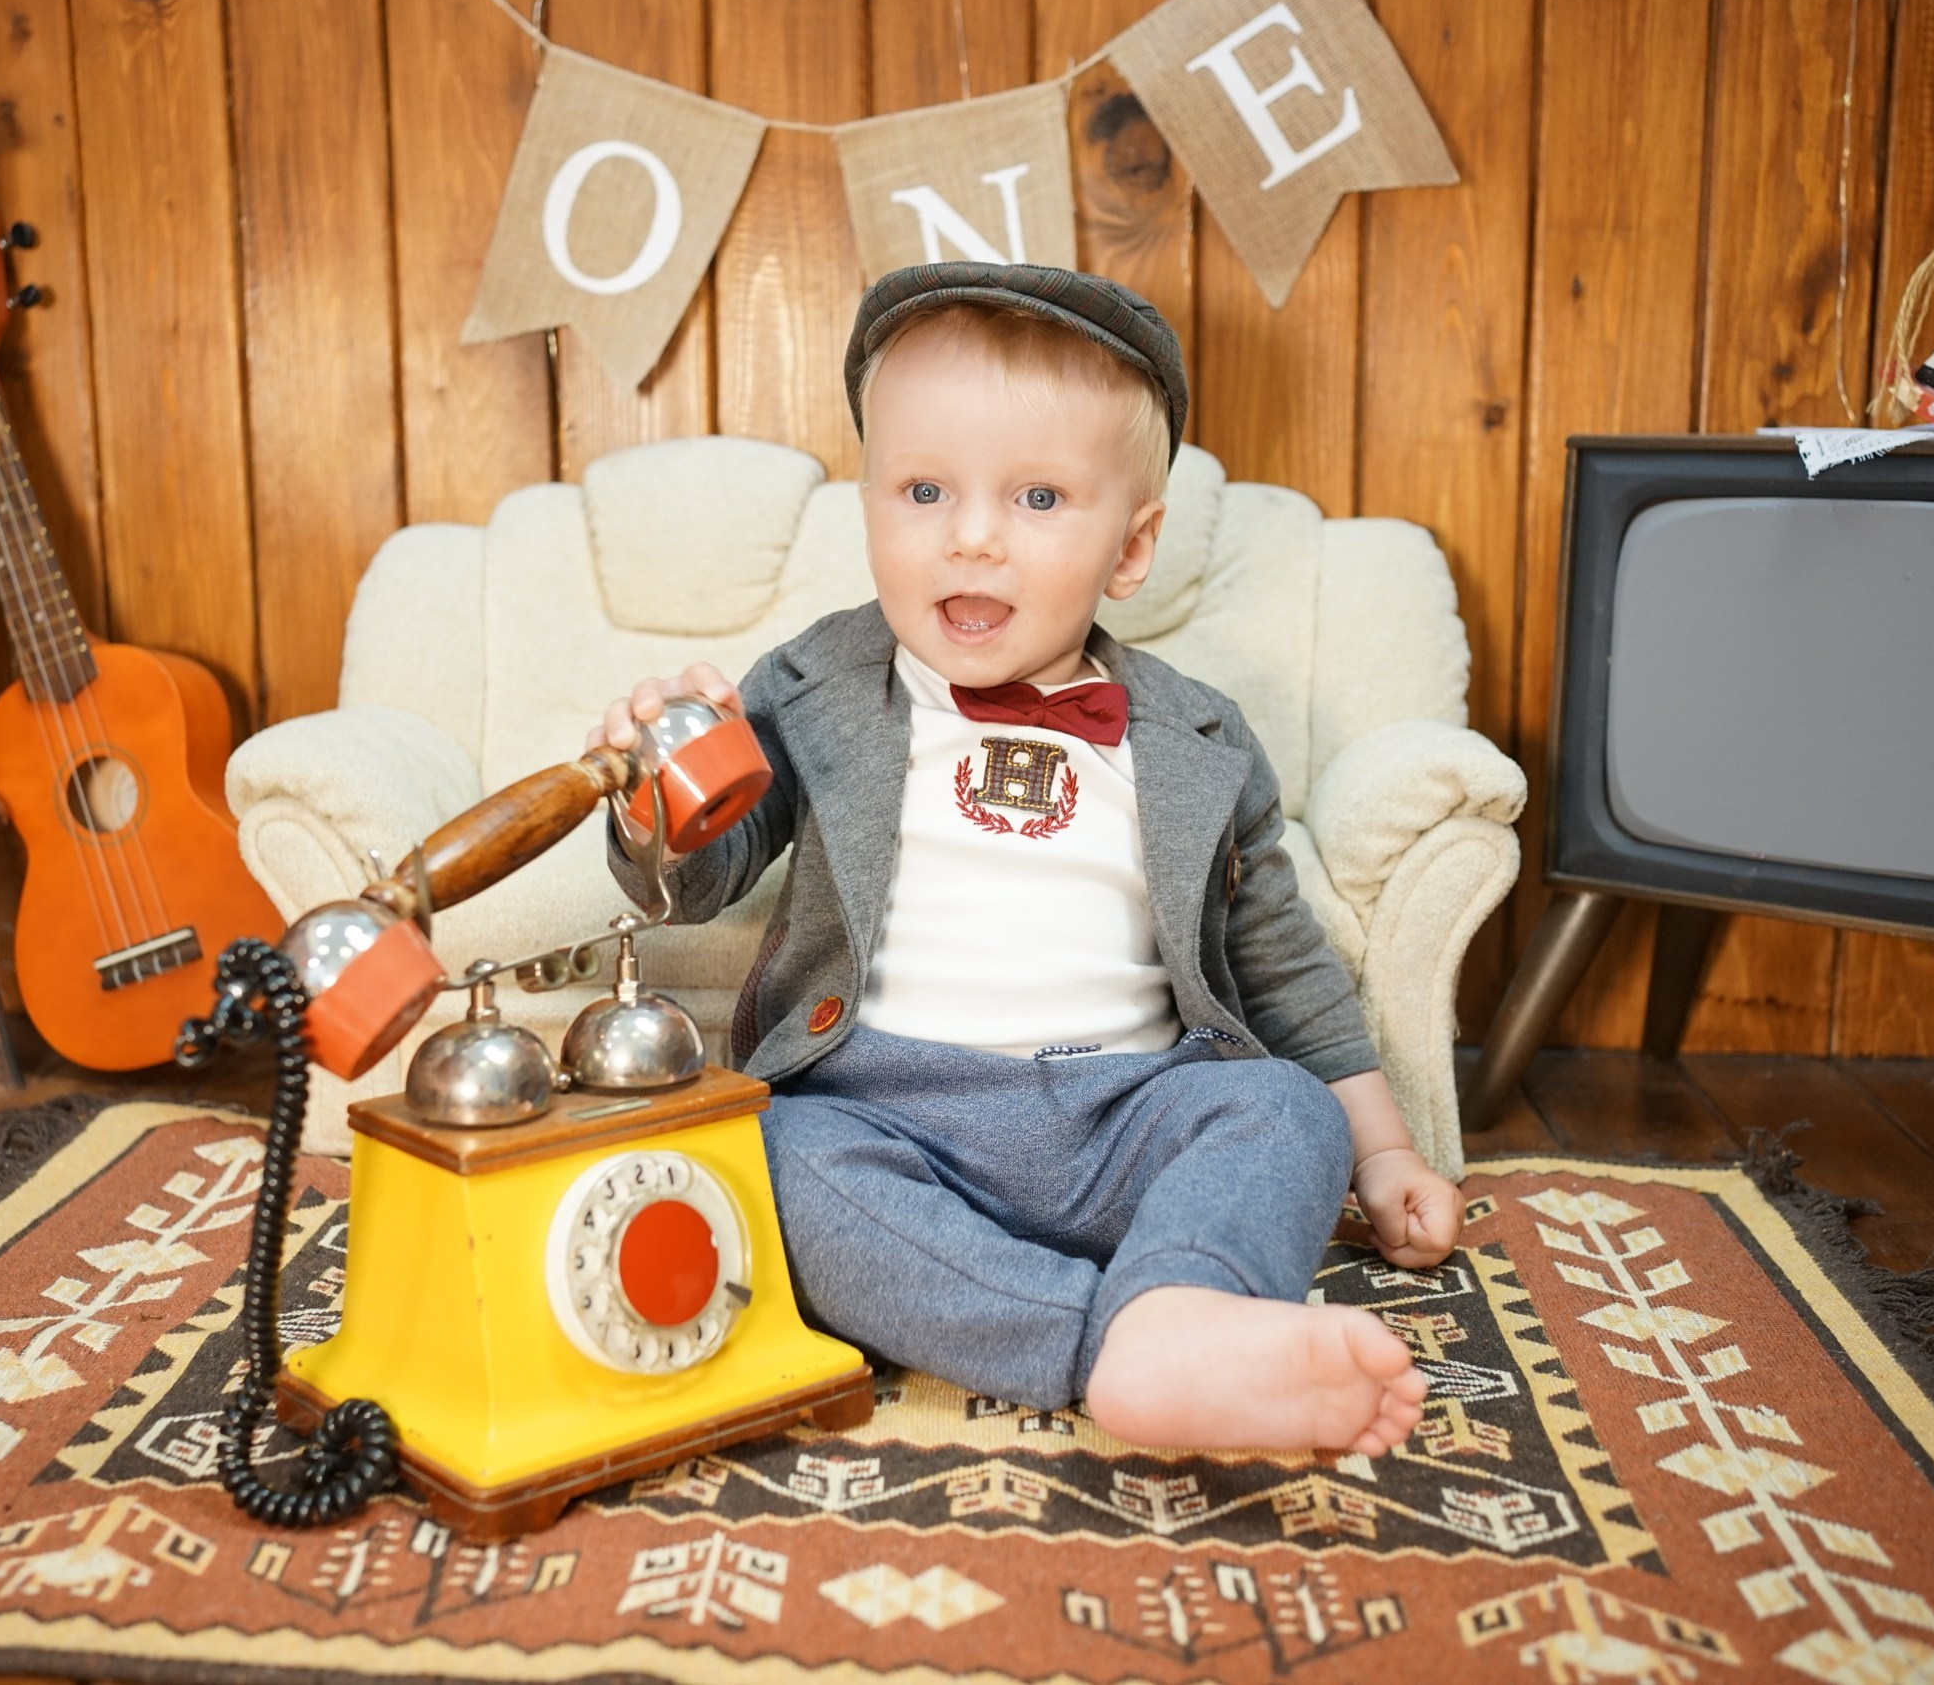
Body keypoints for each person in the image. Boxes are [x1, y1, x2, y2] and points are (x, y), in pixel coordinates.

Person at [596, 261, 1456, 1456]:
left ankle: (1182, 1286)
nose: (974, 538)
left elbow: (1284, 968)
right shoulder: (814, 685)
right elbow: (707, 869)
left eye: (1040, 499)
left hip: (1125, 1114)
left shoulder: (1197, 739)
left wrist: (1384, 1149)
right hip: (884, 1110)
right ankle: (1125, 1347)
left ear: (1132, 544)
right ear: (870, 507)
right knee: (774, 1163)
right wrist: (655, 796)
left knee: (1279, 1111)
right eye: (924, 490)